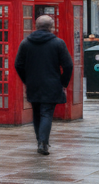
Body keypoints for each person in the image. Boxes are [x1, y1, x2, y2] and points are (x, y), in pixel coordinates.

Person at [15, 15, 73, 155]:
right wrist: (63, 82)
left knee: (36, 113)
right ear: (51, 27)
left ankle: (40, 140)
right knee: (46, 113)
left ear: (36, 26)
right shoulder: (58, 43)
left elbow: (18, 64)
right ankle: (43, 143)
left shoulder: (25, 43)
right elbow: (68, 65)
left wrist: (26, 80)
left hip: (33, 83)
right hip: (52, 84)